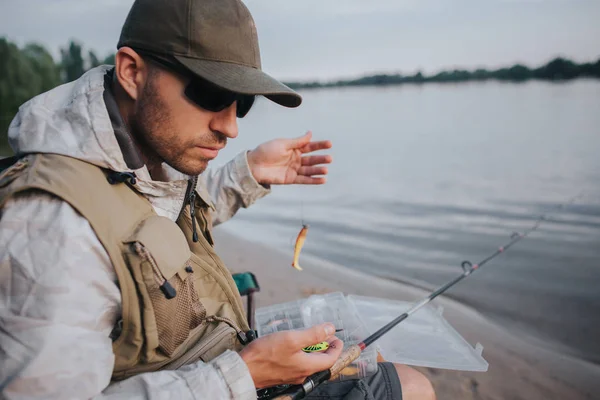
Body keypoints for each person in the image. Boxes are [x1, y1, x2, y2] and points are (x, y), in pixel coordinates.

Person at [0, 0, 435, 399]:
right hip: (223, 379)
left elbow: (149, 223)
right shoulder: (51, 230)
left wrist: (248, 173)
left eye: (241, 103)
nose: (231, 128)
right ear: (132, 72)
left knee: (368, 357)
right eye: (209, 94)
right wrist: (244, 373)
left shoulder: (132, 155)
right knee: (412, 389)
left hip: (216, 359)